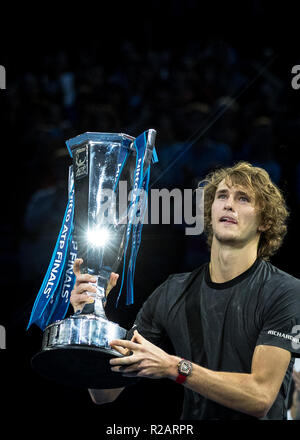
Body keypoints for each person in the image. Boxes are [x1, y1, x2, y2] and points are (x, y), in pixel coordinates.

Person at [70, 161, 300, 420]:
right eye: (222, 196)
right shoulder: (172, 291)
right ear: (210, 212)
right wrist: (90, 316)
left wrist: (174, 367)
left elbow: (260, 398)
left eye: (243, 199)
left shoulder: (285, 291)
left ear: (265, 222)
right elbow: (105, 393)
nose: (228, 204)